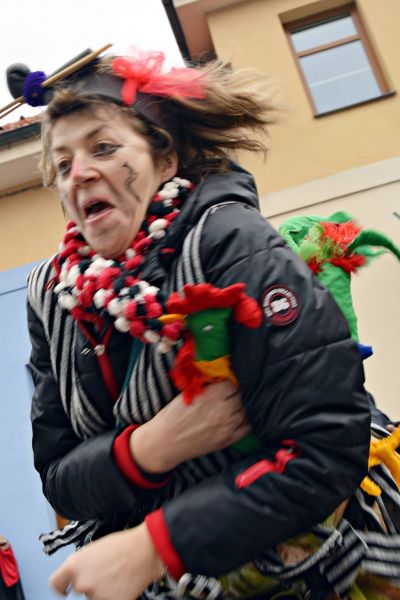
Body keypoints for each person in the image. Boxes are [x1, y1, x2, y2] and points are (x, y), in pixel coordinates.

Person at [12, 47, 373, 599]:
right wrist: (149, 448)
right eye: (63, 165)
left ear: (165, 161)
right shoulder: (50, 295)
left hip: (306, 572)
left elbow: (325, 448)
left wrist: (154, 544)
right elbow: (60, 482)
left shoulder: (231, 241)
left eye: (103, 148)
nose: (79, 174)